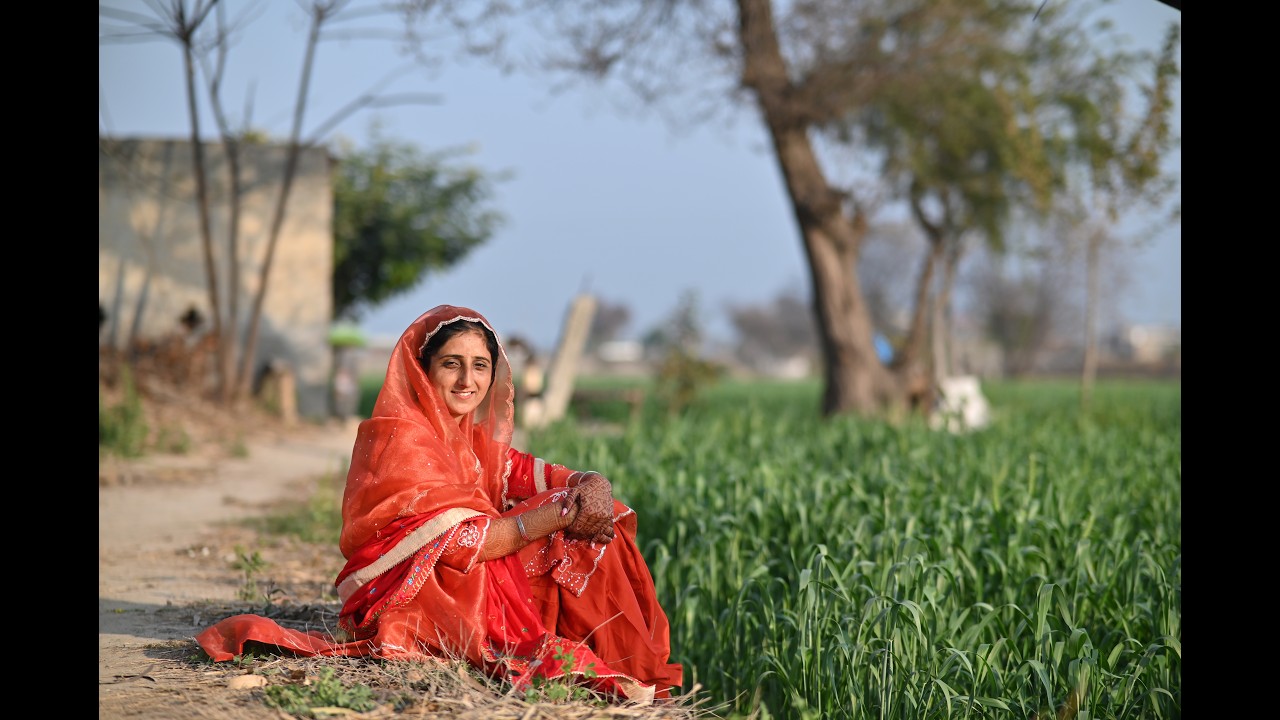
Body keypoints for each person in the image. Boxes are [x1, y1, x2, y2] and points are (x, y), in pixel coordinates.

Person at [197, 305, 682, 703]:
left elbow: (537, 472)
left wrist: (591, 482)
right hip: (413, 588)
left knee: (603, 513)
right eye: (451, 363)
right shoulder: (403, 438)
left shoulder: (469, 440)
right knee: (562, 516)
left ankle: (622, 661)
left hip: (464, 572)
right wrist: (555, 514)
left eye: (480, 366)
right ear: (423, 370)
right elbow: (462, 544)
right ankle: (567, 659)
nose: (466, 380)